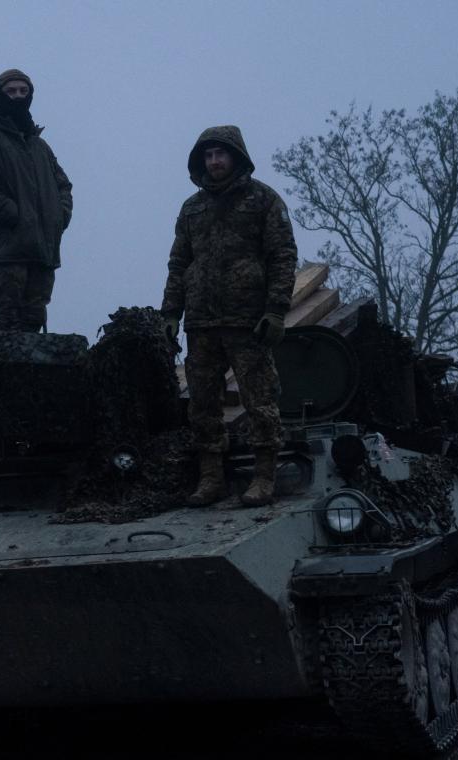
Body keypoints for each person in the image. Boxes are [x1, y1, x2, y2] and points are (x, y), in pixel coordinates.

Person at [161, 125, 298, 507]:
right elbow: (179, 263)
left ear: (236, 157)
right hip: (202, 323)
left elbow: (282, 256)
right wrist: (170, 313)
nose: (214, 161)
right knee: (202, 404)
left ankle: (264, 477)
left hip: (247, 320)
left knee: (260, 401)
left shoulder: (263, 200)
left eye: (221, 154)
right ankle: (211, 479)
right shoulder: (192, 208)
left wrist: (275, 310)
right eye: (208, 155)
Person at [0, 68, 72, 334]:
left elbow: (63, 185)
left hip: (43, 249)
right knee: (4, 316)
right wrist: (15, 215)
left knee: (34, 317)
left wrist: (58, 216)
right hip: (8, 249)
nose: (18, 96)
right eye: (11, 91)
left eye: (24, 91)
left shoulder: (40, 147)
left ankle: (30, 377)